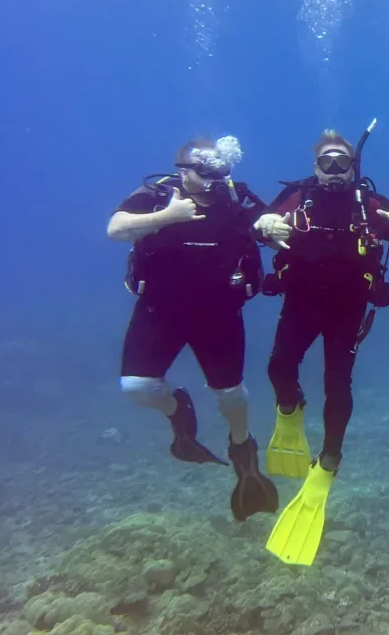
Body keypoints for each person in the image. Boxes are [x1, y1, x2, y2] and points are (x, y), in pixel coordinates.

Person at [107, 135, 284, 522]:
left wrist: (271, 224)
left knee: (230, 393)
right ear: (183, 171)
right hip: (160, 310)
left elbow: (265, 223)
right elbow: (116, 229)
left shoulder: (235, 199)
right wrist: (167, 216)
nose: (214, 180)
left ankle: (243, 448)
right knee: (136, 387)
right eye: (204, 172)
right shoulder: (157, 195)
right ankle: (179, 410)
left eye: (220, 171)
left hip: (218, 312)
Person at [261, 125, 389, 566]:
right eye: (325, 163)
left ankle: (327, 462)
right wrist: (263, 224)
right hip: (301, 302)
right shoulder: (298, 197)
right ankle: (290, 407)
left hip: (347, 309)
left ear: (352, 167)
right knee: (278, 367)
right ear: (315, 167)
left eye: (341, 163)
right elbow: (261, 224)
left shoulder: (368, 203)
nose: (333, 170)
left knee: (338, 386)